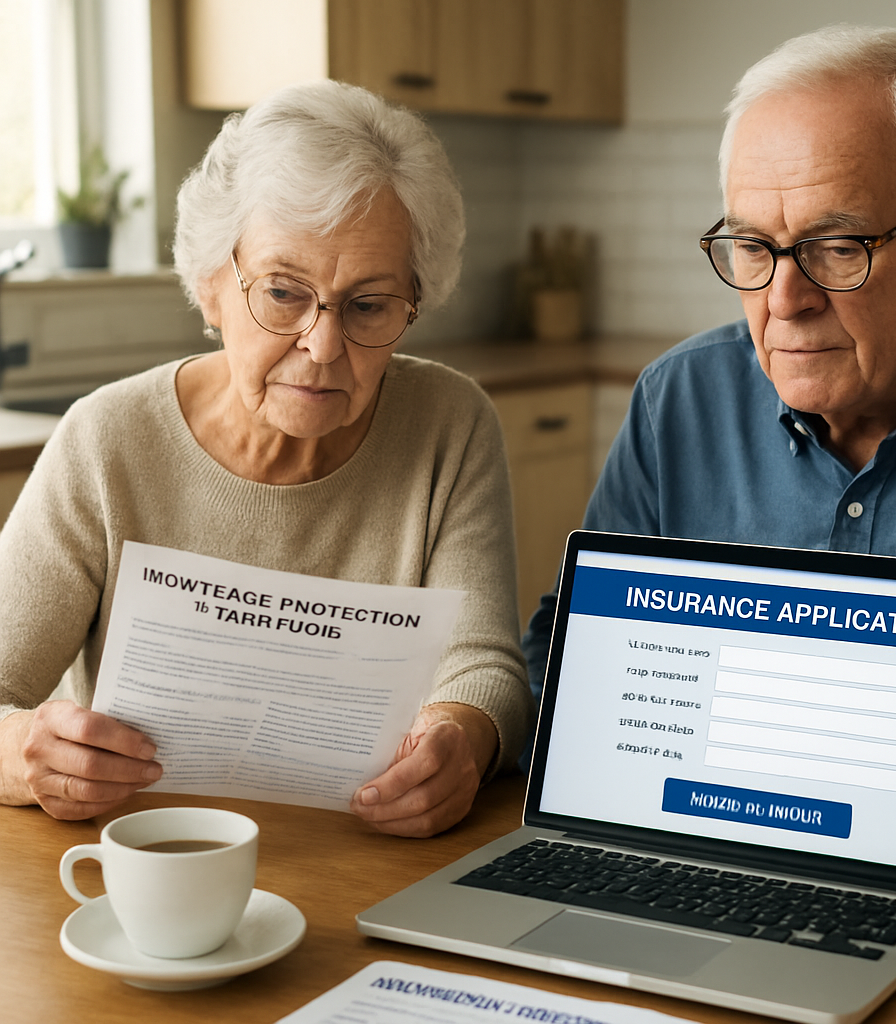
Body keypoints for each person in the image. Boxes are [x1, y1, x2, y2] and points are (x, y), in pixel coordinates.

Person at [0, 80, 533, 834]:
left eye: (369, 305)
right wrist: (26, 751)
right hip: (149, 863)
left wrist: (463, 738)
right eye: (284, 293)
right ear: (211, 286)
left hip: (364, 854)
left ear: (414, 305)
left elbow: (484, 667)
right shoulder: (107, 440)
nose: (322, 347)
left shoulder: (451, 424)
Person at [522, 24, 896, 796]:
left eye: (839, 245)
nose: (784, 302)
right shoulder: (679, 402)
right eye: (753, 247)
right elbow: (572, 658)